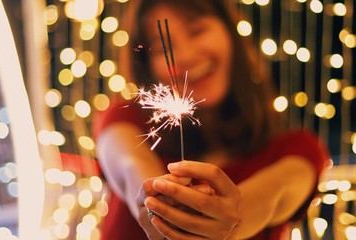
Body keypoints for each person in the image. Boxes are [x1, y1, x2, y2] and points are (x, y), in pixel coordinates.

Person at [93, 0, 329, 239]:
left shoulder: (296, 150)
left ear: (229, 33)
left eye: (197, 31)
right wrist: (157, 201)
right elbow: (129, 165)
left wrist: (231, 216)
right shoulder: (125, 119)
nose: (184, 56)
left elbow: (274, 195)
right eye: (164, 48)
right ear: (148, 66)